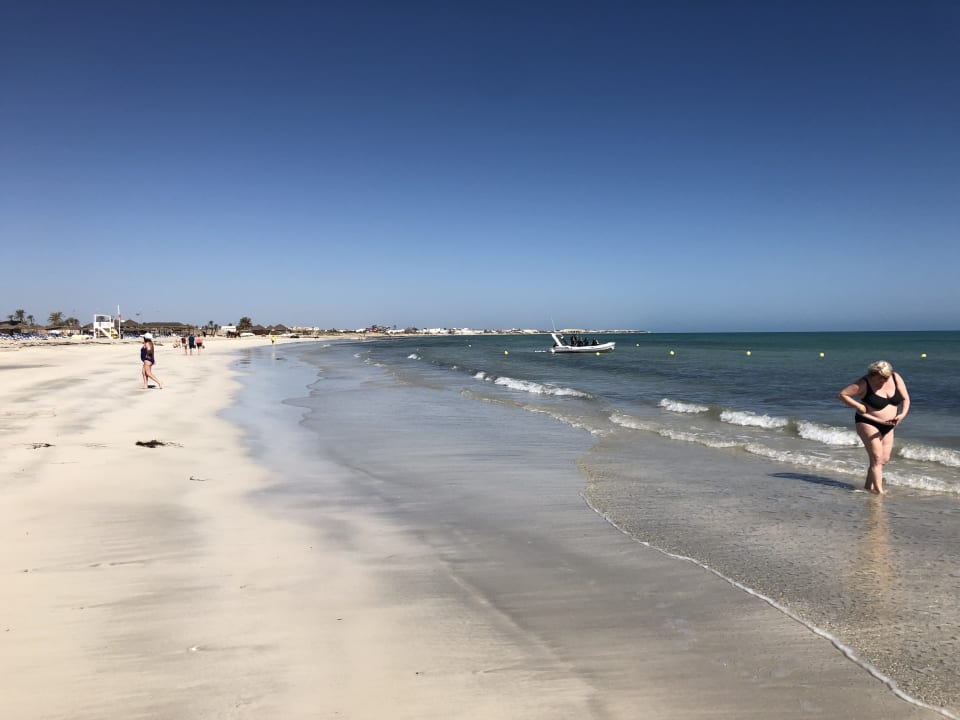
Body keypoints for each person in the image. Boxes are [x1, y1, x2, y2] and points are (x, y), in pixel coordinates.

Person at [837, 360, 910, 495]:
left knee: (883, 460)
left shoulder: (895, 377)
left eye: (886, 378)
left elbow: (906, 399)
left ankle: (868, 487)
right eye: (880, 378)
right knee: (877, 458)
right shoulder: (864, 383)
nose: (883, 381)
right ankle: (879, 492)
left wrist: (902, 415)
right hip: (868, 422)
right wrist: (858, 406)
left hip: (889, 426)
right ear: (872, 375)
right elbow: (842, 395)